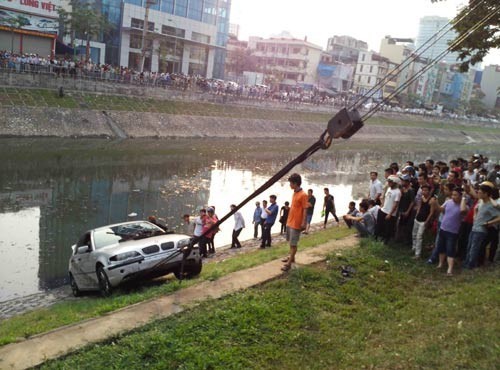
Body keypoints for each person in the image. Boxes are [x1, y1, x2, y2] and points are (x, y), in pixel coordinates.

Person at [464, 183, 500, 269]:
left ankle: (470, 265)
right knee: (469, 246)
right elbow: (476, 208)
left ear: (486, 194)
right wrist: (474, 215)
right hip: (474, 227)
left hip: (481, 230)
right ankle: (466, 263)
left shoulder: (491, 205)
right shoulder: (480, 201)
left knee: (474, 248)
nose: (478, 194)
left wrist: (488, 223)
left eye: (480, 192)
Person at [282, 173, 309, 272]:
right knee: (290, 241)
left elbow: (305, 209)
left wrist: (304, 223)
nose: (290, 185)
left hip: (297, 223)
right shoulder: (295, 192)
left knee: (294, 243)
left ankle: (289, 264)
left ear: (296, 183)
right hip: (290, 221)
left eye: (291, 183)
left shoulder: (303, 195)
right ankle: (291, 257)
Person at [375, 175, 401, 243]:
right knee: (380, 225)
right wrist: (382, 205)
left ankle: (386, 241)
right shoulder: (389, 189)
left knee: (388, 228)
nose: (388, 183)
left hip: (390, 213)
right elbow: (385, 198)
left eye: (390, 182)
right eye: (388, 181)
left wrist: (390, 214)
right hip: (383, 210)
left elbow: (396, 204)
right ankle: (377, 238)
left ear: (395, 183)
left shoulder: (397, 192)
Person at [411, 184, 433, 259]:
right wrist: (416, 214)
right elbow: (419, 206)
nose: (424, 192)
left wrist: (427, 221)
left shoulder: (432, 200)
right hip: (418, 218)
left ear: (429, 191)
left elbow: (431, 212)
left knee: (419, 237)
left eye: (426, 190)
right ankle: (414, 247)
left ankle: (418, 254)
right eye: (423, 190)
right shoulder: (422, 197)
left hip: (424, 221)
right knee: (414, 234)